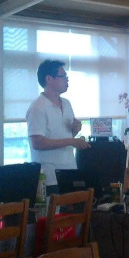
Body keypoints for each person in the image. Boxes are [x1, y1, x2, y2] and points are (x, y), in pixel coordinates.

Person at [26, 59, 89, 195]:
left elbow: (62, 136)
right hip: (49, 177)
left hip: (70, 171)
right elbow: (37, 143)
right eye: (63, 76)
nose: (67, 79)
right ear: (49, 79)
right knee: (53, 209)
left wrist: (74, 131)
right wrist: (71, 141)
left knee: (75, 208)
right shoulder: (38, 107)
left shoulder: (67, 103)